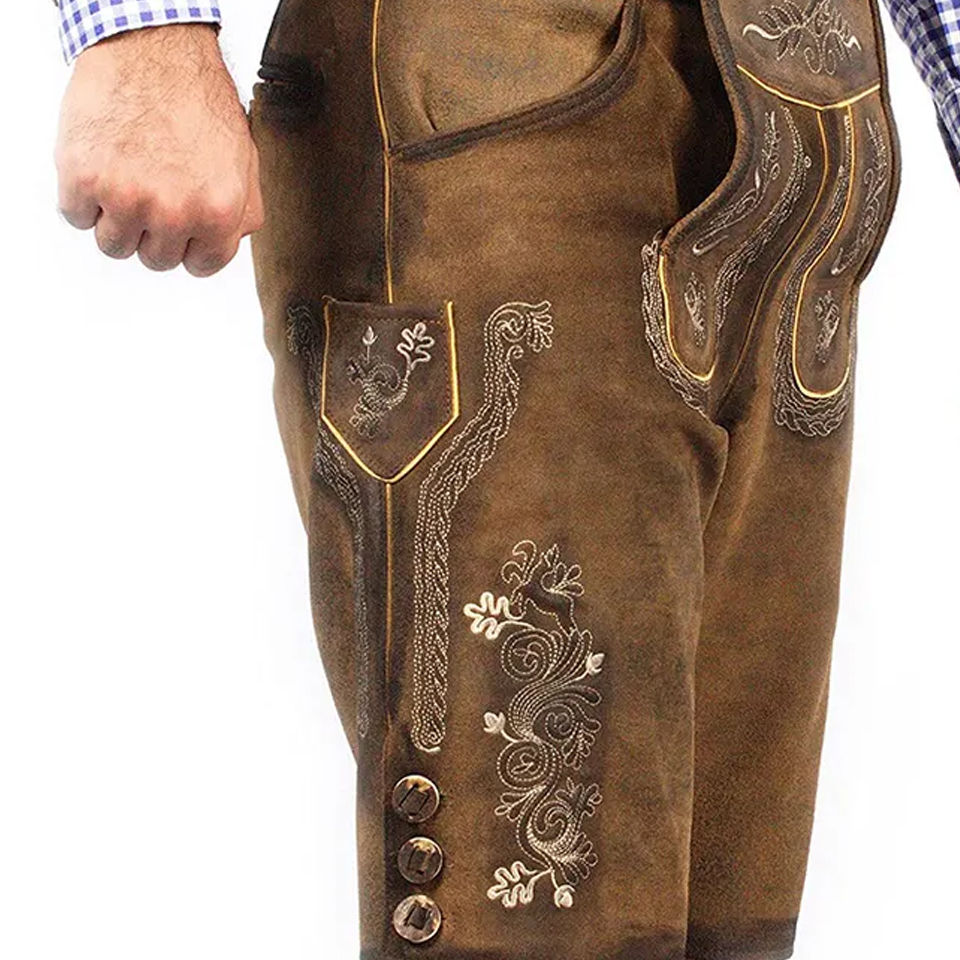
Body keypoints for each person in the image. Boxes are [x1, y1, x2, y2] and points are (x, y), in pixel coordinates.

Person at [50, 3, 959, 960]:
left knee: (734, 919)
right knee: (531, 908)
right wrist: (139, 31)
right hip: (499, 91)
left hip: (806, 108)